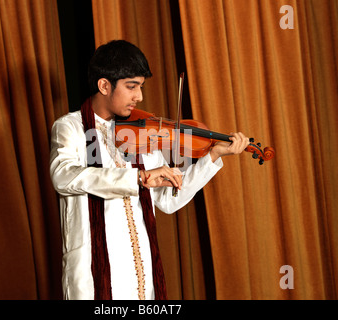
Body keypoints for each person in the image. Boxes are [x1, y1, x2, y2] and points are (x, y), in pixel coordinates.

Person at [49, 40, 249, 300]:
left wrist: (213, 155)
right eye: (131, 86)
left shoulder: (141, 133)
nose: (139, 96)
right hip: (92, 275)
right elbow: (63, 176)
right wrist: (138, 177)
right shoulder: (70, 127)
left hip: (141, 274)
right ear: (104, 85)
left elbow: (167, 200)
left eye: (140, 87)